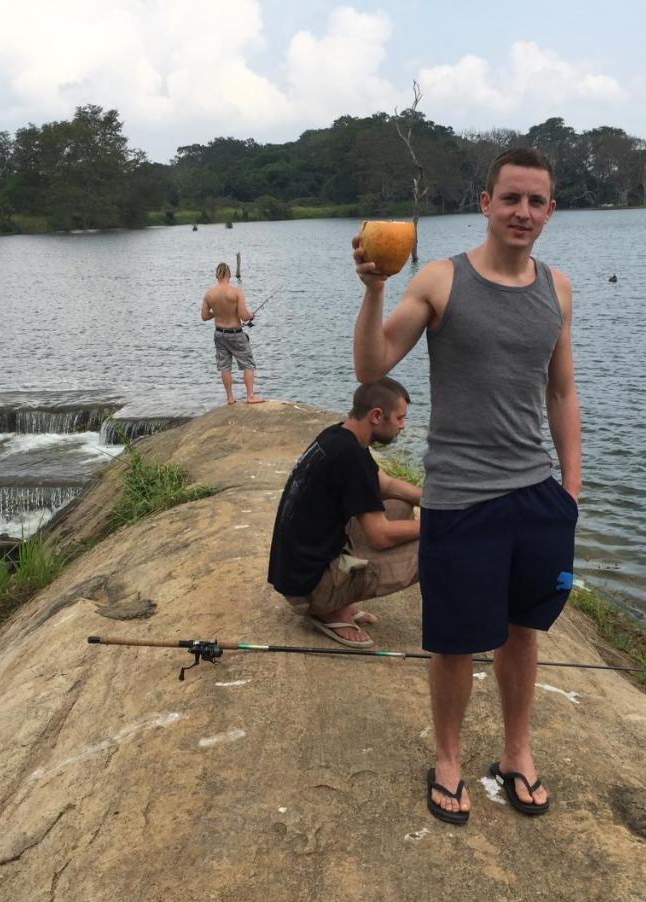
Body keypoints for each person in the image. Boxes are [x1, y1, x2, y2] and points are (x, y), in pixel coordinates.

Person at [352, 147, 580, 825]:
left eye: (536, 201)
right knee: (453, 640)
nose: (523, 212)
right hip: (458, 494)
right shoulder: (441, 280)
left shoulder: (558, 288)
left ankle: (517, 754)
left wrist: (569, 486)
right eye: (510, 198)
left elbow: (562, 391)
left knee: (522, 631)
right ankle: (448, 760)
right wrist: (373, 290)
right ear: (485, 204)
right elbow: (373, 363)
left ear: (550, 211)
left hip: (534, 494)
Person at [268, 378, 422, 649]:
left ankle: (337, 598)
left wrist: (439, 502)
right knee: (437, 544)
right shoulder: (349, 456)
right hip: (308, 586)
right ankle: (328, 608)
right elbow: (381, 536)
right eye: (399, 418)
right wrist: (442, 523)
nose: (402, 426)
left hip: (297, 570)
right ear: (376, 416)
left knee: (400, 506)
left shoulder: (340, 435)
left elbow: (385, 485)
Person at [202, 262, 265, 404]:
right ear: (229, 274)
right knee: (248, 364)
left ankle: (230, 398)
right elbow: (244, 316)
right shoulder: (236, 292)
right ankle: (250, 396)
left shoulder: (209, 294)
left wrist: (216, 312)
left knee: (224, 366)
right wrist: (251, 315)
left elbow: (205, 316)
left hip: (219, 334)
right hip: (235, 333)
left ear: (217, 275)